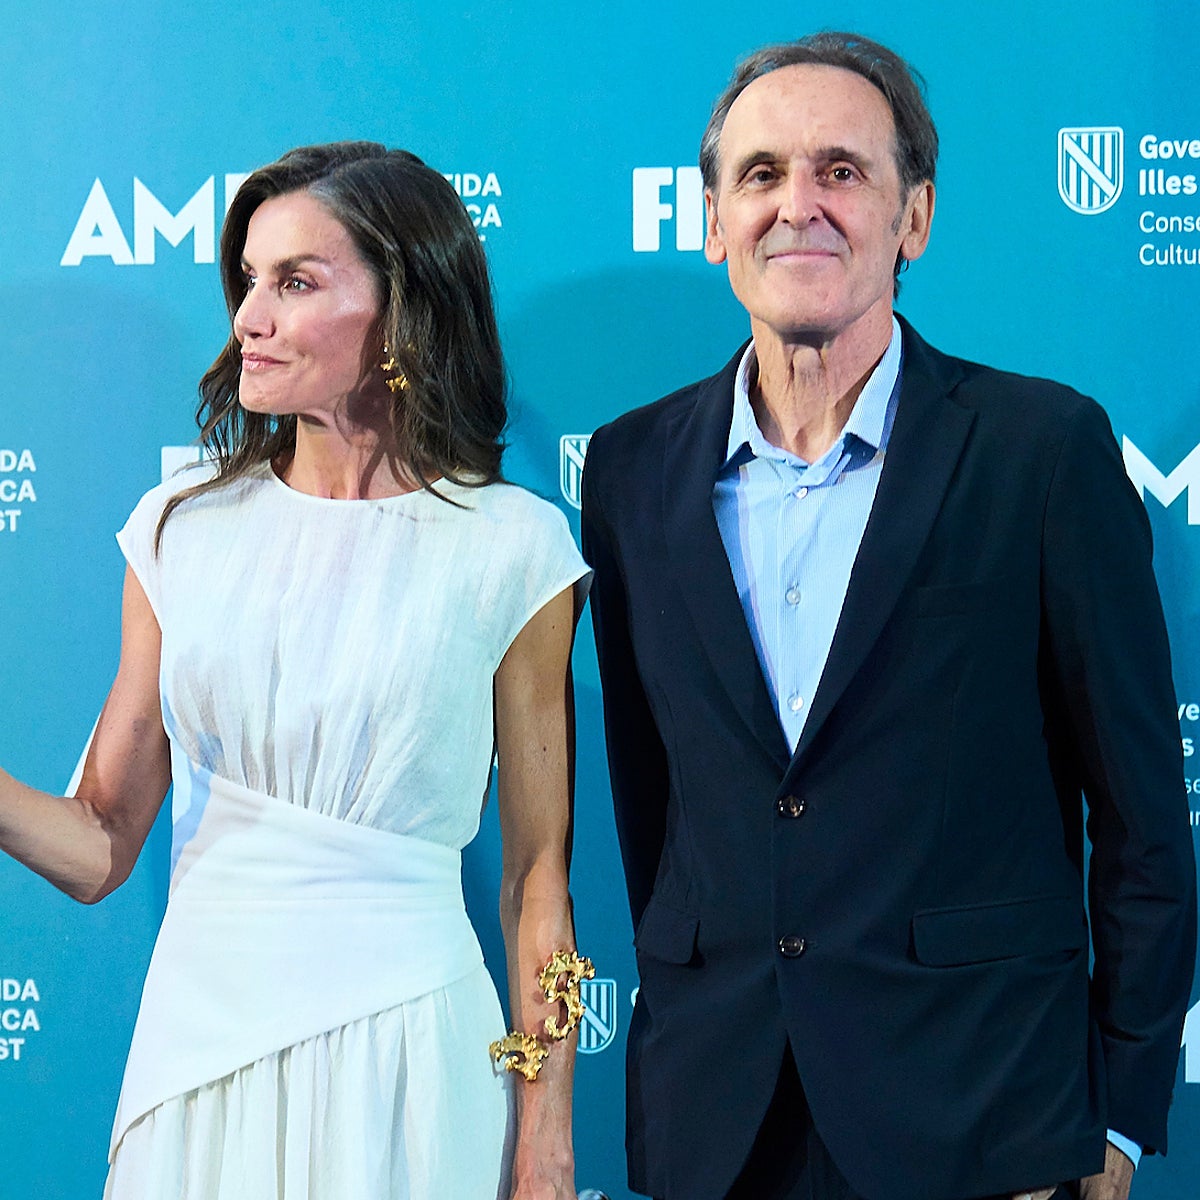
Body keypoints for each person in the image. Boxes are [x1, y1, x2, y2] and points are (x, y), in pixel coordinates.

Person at [581, 32, 1195, 1200]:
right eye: (759, 175)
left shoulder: (1042, 451)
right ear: (710, 221)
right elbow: (658, 809)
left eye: (841, 171)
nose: (796, 206)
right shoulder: (628, 470)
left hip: (985, 1122)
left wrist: (1112, 1119)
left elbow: (1142, 824)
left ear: (913, 217)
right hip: (721, 1125)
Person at [0, 142, 590, 1200]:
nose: (248, 320)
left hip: (415, 1052)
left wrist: (545, 1143)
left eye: (296, 282)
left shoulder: (516, 548)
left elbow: (536, 879)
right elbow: (95, 847)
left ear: (404, 307)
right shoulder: (179, 535)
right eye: (248, 283)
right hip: (199, 1055)